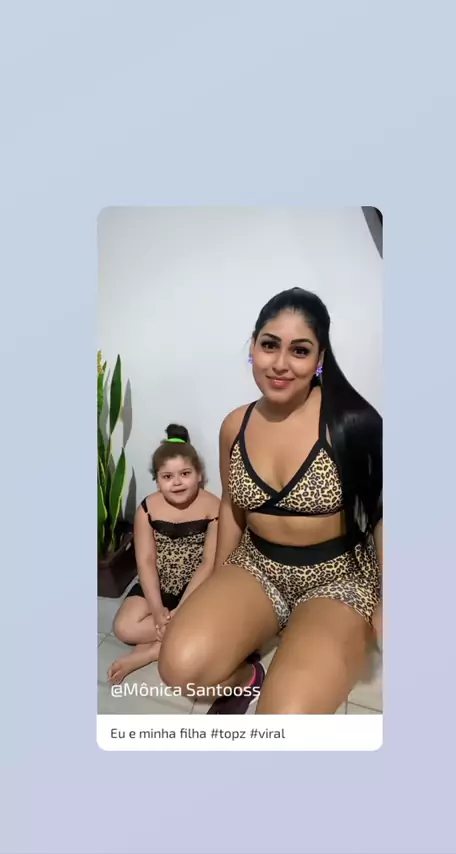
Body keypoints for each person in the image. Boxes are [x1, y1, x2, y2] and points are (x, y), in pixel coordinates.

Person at [158, 287, 382, 714]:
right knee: (180, 668)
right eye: (269, 345)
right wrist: (219, 577)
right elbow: (231, 506)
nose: (280, 363)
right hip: (258, 565)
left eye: (300, 350)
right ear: (253, 347)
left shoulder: (353, 423)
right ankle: (249, 678)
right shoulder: (235, 425)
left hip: (337, 577)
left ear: (319, 358)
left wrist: (388, 599)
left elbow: (383, 514)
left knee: (284, 720)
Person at [107, 424, 220, 685]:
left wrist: (180, 611)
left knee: (206, 631)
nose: (177, 482)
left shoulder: (213, 507)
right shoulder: (148, 508)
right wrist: (158, 610)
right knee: (124, 628)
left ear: (199, 475)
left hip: (197, 587)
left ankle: (147, 654)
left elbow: (208, 562)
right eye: (167, 476)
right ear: (157, 480)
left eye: (185, 474)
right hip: (160, 582)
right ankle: (170, 635)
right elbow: (145, 561)